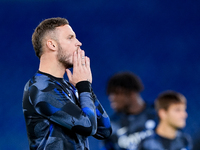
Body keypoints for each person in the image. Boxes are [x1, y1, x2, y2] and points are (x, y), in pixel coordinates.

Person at [22, 17, 112, 150]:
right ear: (52, 45)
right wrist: (84, 86)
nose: (79, 43)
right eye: (70, 38)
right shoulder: (40, 87)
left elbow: (104, 130)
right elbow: (88, 127)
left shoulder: (69, 86)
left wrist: (85, 88)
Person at [101, 72, 157, 150]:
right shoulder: (112, 126)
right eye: (110, 94)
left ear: (132, 93)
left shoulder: (158, 113)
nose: (112, 98)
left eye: (116, 93)